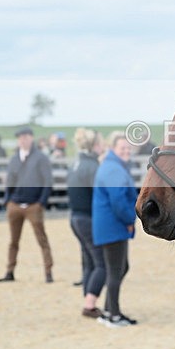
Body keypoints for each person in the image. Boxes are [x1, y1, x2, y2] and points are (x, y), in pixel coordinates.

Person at [0, 126, 54, 283]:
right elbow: (10, 180)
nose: (23, 140)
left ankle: (48, 271)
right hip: (15, 203)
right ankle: (10, 270)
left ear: (31, 138)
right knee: (13, 240)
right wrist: (7, 200)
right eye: (20, 137)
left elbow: (47, 181)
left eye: (26, 137)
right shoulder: (15, 158)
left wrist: (41, 203)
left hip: (33, 204)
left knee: (41, 239)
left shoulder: (41, 158)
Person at [93, 132, 138, 327]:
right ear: (113, 149)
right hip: (113, 227)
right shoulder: (114, 169)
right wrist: (129, 219)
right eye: (122, 148)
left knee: (119, 268)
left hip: (110, 226)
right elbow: (118, 200)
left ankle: (108, 311)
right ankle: (114, 315)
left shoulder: (113, 166)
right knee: (115, 270)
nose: (126, 151)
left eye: (128, 148)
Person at [67, 128, 106, 319]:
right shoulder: (92, 166)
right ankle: (90, 305)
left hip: (75, 217)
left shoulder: (76, 163)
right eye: (99, 143)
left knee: (89, 262)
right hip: (87, 218)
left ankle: (87, 299)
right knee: (101, 264)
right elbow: (99, 195)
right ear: (93, 146)